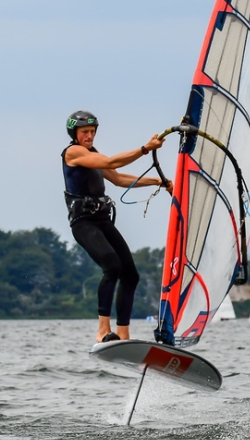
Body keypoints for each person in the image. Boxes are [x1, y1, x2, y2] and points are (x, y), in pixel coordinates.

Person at [62, 110, 171, 343]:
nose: (90, 136)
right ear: (74, 133)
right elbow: (111, 162)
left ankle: (123, 334)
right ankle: (103, 331)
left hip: (102, 220)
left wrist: (159, 182)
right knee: (112, 265)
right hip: (84, 223)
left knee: (130, 275)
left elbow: (119, 179)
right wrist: (145, 149)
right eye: (85, 132)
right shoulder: (73, 152)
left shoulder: (93, 153)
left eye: (92, 132)